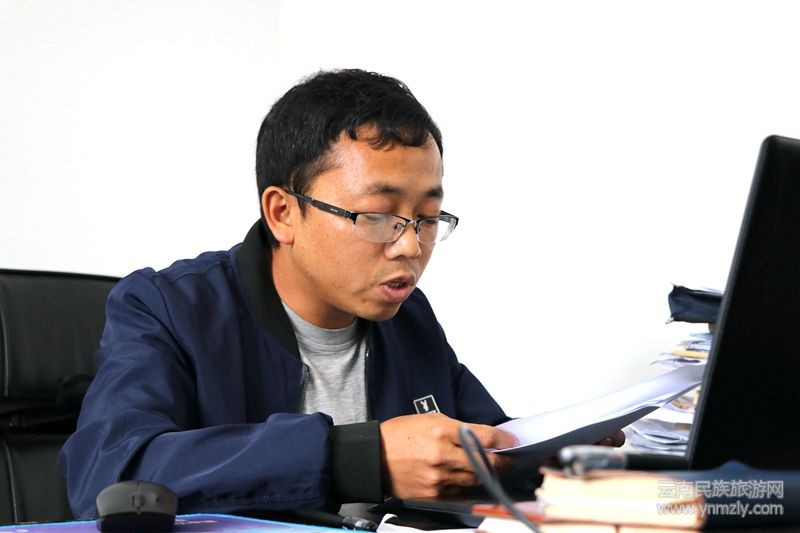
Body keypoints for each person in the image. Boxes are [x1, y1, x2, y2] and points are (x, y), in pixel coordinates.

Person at [59, 69, 622, 519]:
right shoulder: (168, 307)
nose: (410, 246)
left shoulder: (408, 317)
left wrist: (560, 456)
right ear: (283, 213)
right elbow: (108, 478)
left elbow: (486, 448)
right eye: (377, 216)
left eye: (428, 217)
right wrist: (359, 458)